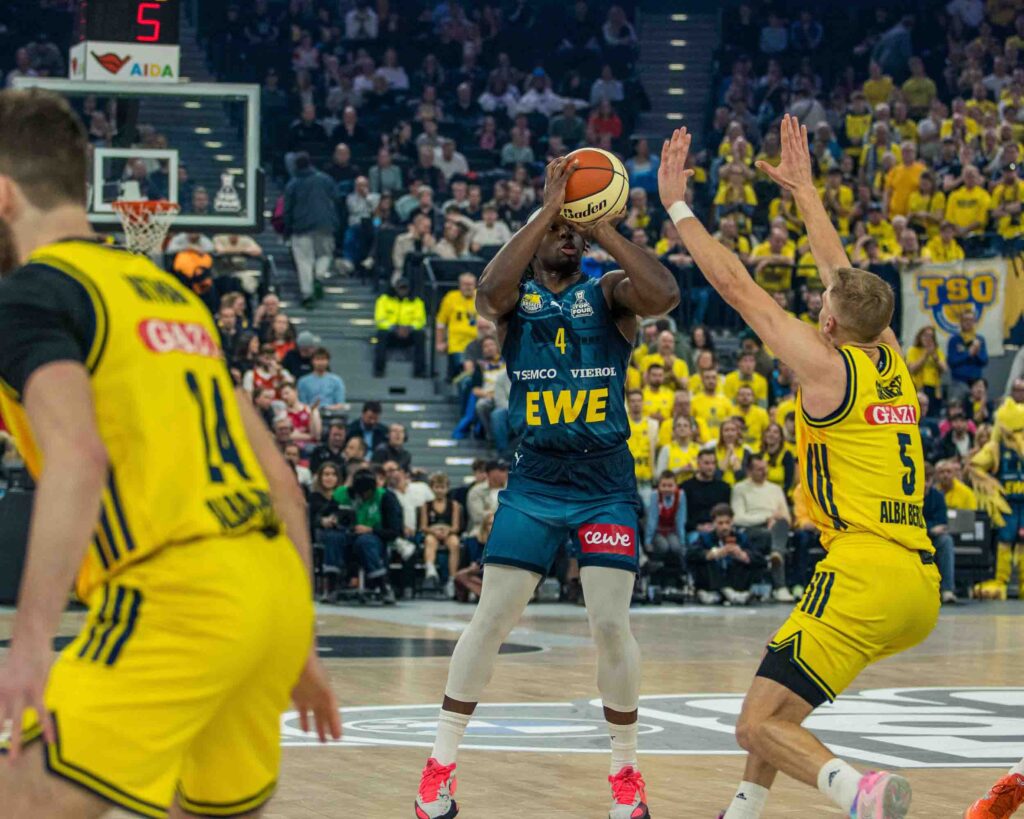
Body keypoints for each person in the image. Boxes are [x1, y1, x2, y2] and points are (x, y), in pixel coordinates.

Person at [0, 88, 339, 818]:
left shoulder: (32, 295)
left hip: (177, 597)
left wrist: (27, 646)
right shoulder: (170, 293)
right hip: (273, 594)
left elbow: (78, 456)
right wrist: (299, 643)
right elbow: (281, 481)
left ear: (3, 195)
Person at [661, 116, 939, 818]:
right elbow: (841, 276)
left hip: (864, 570)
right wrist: (806, 192)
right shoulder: (890, 356)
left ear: (831, 325)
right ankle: (743, 809)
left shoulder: (826, 366)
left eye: (822, 305)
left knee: (753, 723)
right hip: (917, 581)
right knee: (780, 695)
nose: (818, 302)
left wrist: (677, 206)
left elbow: (737, 287)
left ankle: (857, 792)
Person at [414, 155, 679, 819]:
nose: (567, 235)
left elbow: (664, 294)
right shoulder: (514, 303)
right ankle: (439, 766)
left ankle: (625, 773)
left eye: (572, 230)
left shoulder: (609, 292)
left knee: (609, 623)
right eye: (557, 229)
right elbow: (487, 291)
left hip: (604, 481)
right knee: (492, 618)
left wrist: (602, 225)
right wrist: (549, 209)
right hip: (534, 479)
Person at [732, 453, 794, 602]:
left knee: (782, 526)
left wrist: (775, 519)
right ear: (749, 471)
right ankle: (780, 586)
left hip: (776, 526)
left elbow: (786, 517)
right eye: (759, 469)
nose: (764, 472)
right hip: (751, 528)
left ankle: (776, 554)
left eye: (765, 468)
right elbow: (738, 518)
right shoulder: (740, 488)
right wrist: (766, 518)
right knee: (771, 537)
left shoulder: (776, 489)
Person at [333, 469, 400, 603]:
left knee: (365, 541)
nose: (363, 496)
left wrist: (371, 530)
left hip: (375, 539)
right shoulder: (342, 494)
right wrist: (327, 520)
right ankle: (331, 586)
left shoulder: (386, 497)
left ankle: (383, 586)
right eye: (359, 493)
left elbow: (395, 531)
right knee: (333, 538)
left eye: (366, 493)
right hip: (346, 536)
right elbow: (320, 516)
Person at [284, 152, 339, 308]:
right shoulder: (325, 179)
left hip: (300, 228)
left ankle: (307, 294)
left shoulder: (293, 184)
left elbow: (287, 209)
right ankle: (319, 276)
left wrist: (287, 229)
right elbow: (336, 198)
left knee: (304, 261)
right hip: (325, 225)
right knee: (325, 255)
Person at [687, 503, 758, 605]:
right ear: (714, 523)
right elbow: (690, 555)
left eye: (727, 523)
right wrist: (712, 554)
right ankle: (719, 593)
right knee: (704, 560)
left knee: (749, 561)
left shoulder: (741, 538)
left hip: (735, 580)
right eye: (720, 523)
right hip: (711, 581)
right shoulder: (704, 538)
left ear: (732, 522)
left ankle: (731, 593)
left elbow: (759, 557)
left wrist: (743, 555)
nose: (724, 527)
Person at [419, 472, 464, 596]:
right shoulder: (426, 505)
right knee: (429, 540)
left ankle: (452, 579)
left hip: (448, 533)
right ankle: (430, 570)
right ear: (432, 488)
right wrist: (434, 531)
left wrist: (447, 531)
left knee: (455, 543)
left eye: (442, 487)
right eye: (437, 487)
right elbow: (423, 526)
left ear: (447, 488)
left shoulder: (454, 505)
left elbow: (456, 526)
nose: (439, 490)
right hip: (432, 533)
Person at [374, 279, 427, 378]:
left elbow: (421, 320)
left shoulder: (417, 302)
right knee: (381, 333)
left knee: (420, 334)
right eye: (400, 288)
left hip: (408, 333)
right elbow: (379, 320)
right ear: (395, 288)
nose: (403, 291)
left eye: (405, 288)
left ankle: (419, 371)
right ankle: (379, 370)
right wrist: (394, 328)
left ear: (409, 289)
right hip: (391, 332)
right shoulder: (384, 300)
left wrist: (409, 328)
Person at [923, 464, 958, 605]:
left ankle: (947, 590)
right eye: (923, 479)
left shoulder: (937, 496)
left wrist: (928, 527)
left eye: (928, 479)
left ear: (932, 480)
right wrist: (930, 528)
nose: (925, 484)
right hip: (914, 537)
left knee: (946, 541)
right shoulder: (909, 495)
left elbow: (942, 521)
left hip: (931, 539)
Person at [435, 272, 478, 380]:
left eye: (470, 284)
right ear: (459, 285)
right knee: (464, 368)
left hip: (477, 343)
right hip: (457, 344)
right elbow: (441, 322)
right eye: (465, 284)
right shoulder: (451, 298)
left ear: (475, 284)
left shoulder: (481, 297)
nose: (468, 287)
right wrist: (440, 342)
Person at [681, 449, 732, 538]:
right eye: (706, 463)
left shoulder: (724, 488)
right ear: (698, 464)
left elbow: (727, 513)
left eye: (713, 463)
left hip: (719, 529)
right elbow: (682, 517)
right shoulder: (686, 487)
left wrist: (717, 525)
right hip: (695, 530)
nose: (710, 467)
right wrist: (698, 527)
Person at [645, 470, 687, 567]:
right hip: (657, 530)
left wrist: (682, 542)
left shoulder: (680, 495)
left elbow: (680, 520)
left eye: (670, 485)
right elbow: (652, 519)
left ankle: (676, 568)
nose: (667, 489)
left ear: (676, 486)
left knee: (676, 547)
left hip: (671, 531)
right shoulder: (655, 495)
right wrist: (648, 541)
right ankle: (655, 564)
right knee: (663, 546)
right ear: (658, 486)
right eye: (663, 485)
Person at [947, 308, 989, 393]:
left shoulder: (980, 339)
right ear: (960, 322)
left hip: (976, 383)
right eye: (965, 320)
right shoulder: (954, 340)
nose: (968, 322)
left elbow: (984, 361)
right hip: (958, 382)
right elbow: (951, 361)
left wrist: (976, 353)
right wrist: (968, 354)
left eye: (971, 320)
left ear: (975, 322)